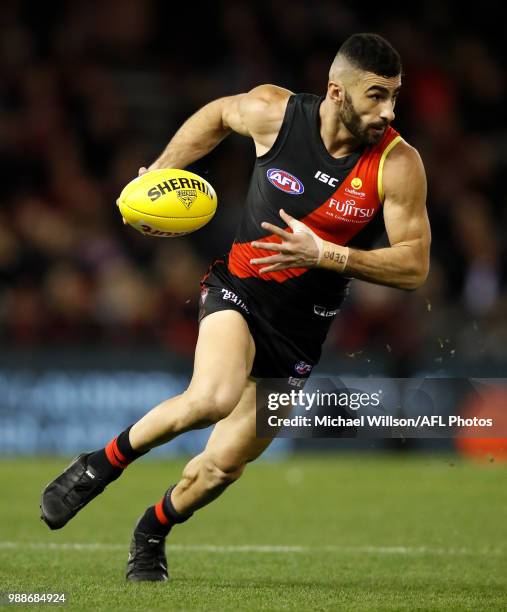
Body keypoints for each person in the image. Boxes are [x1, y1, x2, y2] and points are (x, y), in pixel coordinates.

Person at [40, 33, 430, 581]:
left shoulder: (398, 162)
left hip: (299, 335)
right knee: (212, 398)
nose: (388, 110)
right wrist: (159, 169)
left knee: (223, 467)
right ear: (336, 92)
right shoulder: (276, 112)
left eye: (394, 96)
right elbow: (219, 115)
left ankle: (150, 531)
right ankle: (96, 467)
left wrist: (327, 254)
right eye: (376, 96)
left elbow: (414, 266)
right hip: (238, 292)